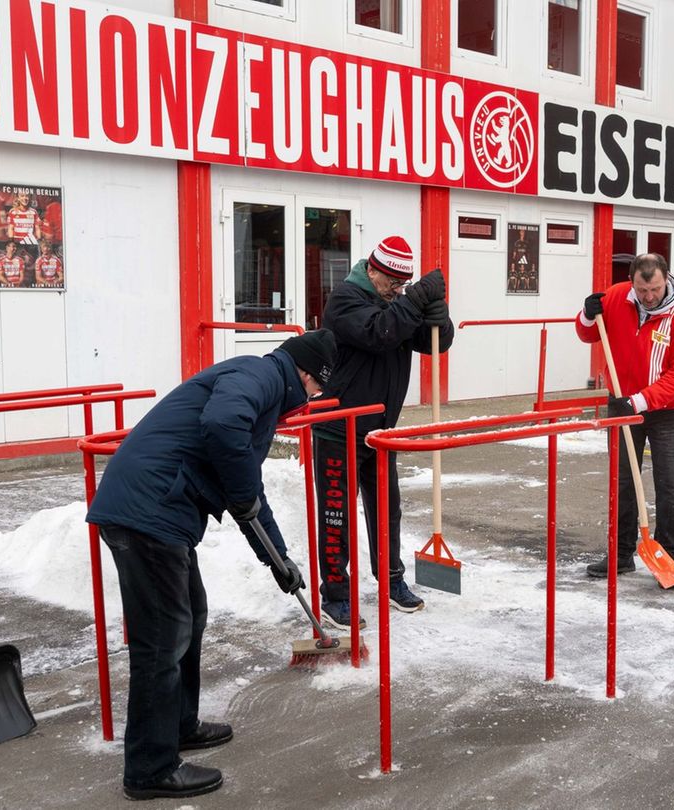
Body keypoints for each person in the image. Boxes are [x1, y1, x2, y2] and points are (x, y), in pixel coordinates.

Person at [85, 330, 336, 800]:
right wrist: (241, 495)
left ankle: (179, 725)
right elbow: (223, 427)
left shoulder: (262, 386)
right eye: (317, 390)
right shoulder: (259, 375)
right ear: (306, 376)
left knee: (191, 615)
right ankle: (149, 768)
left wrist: (277, 559)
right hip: (148, 511)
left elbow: (248, 490)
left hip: (161, 512)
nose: (312, 400)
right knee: (163, 638)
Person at [314, 235, 454, 628]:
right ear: (372, 270)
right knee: (336, 516)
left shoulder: (397, 304)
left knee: (387, 511)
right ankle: (336, 594)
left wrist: (439, 316)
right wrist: (415, 299)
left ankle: (391, 580)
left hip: (380, 432)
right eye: (392, 282)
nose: (397, 290)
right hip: (338, 429)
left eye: (403, 284)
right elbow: (380, 333)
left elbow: (434, 344)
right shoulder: (345, 299)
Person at [575, 253, 674, 577]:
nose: (649, 297)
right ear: (632, 282)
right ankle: (621, 553)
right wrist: (587, 315)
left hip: (666, 410)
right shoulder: (617, 297)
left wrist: (639, 402)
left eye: (655, 289)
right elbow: (588, 334)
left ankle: (668, 556)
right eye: (642, 290)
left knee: (669, 482)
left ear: (666, 279)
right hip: (621, 402)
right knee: (623, 481)